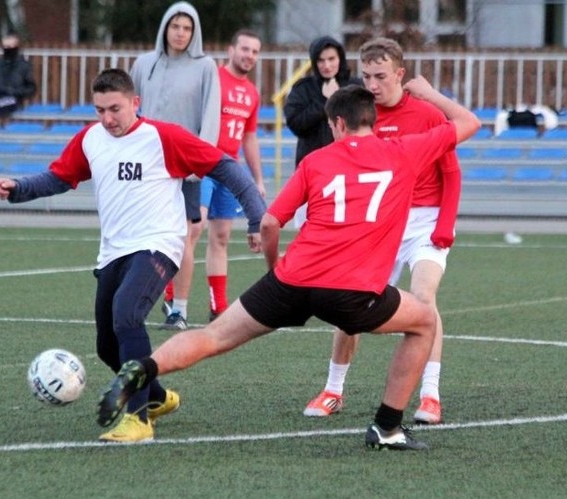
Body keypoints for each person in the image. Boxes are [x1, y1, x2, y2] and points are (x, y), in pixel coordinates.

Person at [96, 82, 480, 450]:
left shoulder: (316, 160)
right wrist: (429, 95)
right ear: (368, 121)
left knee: (214, 336)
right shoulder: (402, 151)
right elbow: (469, 123)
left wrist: (273, 267)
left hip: (291, 280)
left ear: (339, 124)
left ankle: (143, 368)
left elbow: (269, 223)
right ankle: (387, 426)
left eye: (330, 126)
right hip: (351, 291)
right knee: (425, 321)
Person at [0, 68, 266, 443]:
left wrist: (255, 215)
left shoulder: (163, 137)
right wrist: (18, 189)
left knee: (127, 314)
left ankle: (138, 420)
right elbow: (60, 177)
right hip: (113, 252)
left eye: (115, 109)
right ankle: (155, 397)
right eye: (99, 109)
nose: (107, 119)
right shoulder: (91, 139)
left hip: (159, 244)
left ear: (135, 103)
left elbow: (225, 167)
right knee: (107, 345)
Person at [303, 37, 462, 425]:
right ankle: (334, 389)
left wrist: (444, 227)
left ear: (400, 74)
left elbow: (452, 173)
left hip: (425, 221)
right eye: (367, 75)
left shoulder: (425, 114)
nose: (373, 84)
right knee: (350, 299)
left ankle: (430, 395)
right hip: (381, 223)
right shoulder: (363, 115)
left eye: (381, 76)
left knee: (424, 301)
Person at [130, 1, 221, 331]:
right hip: (147, 166)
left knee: (184, 238)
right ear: (165, 28)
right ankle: (135, 303)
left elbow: (210, 116)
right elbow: (130, 110)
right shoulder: (143, 64)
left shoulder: (205, 66)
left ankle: (178, 310)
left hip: (187, 167)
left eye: (187, 28)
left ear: (194, 32)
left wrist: (201, 162)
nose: (180, 33)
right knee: (141, 238)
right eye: (175, 26)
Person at [200, 29, 266, 322]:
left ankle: (218, 308)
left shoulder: (252, 93)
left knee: (222, 236)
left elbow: (249, 138)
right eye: (244, 49)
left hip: (230, 169)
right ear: (230, 50)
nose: (249, 55)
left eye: (254, 51)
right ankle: (174, 299)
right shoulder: (212, 78)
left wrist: (258, 180)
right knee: (194, 227)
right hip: (202, 163)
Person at [283, 35, 362, 226]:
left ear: (340, 59)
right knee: (308, 232)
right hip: (312, 174)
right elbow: (296, 123)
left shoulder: (356, 87)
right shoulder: (303, 89)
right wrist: (324, 102)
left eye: (331, 59)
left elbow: (362, 124)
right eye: (321, 60)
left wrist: (337, 98)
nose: (326, 65)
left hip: (350, 173)